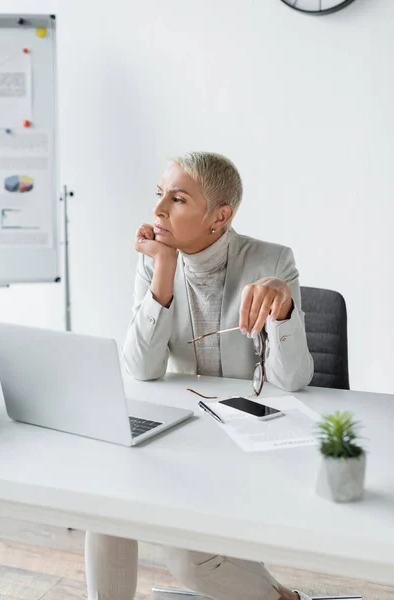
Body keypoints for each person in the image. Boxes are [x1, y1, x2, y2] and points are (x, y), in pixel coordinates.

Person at [85, 152, 314, 600]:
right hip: (187, 435)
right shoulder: (154, 261)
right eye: (159, 195)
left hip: (253, 440)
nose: (158, 211)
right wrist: (165, 270)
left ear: (219, 216)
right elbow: (140, 369)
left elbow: (294, 380)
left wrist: (284, 309)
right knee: (105, 511)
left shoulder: (273, 262)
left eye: (178, 199)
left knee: (188, 556)